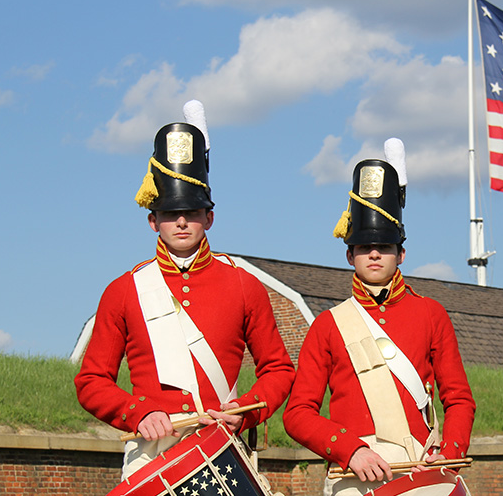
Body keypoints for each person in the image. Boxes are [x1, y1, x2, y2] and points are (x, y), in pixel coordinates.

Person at [75, 100, 295, 480]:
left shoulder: (244, 285)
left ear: (209, 217)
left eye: (192, 212)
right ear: (152, 221)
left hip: (222, 447)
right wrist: (138, 412)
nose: (181, 222)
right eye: (169, 214)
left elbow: (278, 369)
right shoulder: (125, 290)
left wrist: (243, 411)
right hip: (151, 454)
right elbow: (92, 380)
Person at [283, 139, 476, 496]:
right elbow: (297, 413)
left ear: (401, 254)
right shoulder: (328, 325)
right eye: (364, 248)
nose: (374, 255)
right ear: (349, 255)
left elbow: (459, 399)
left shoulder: (430, 314)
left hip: (423, 468)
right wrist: (349, 449)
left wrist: (448, 453)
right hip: (354, 476)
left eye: (385, 247)